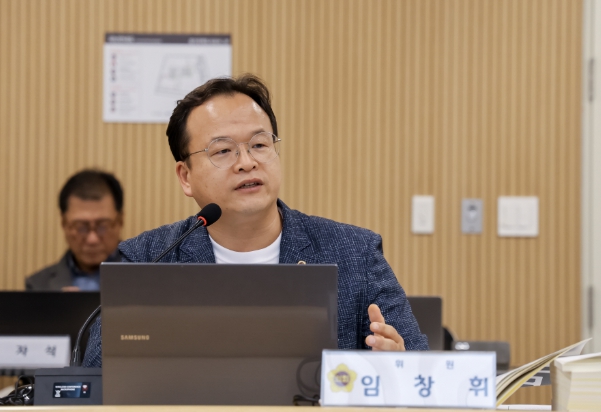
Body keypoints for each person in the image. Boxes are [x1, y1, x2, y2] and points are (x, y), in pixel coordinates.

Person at [83, 74, 428, 367]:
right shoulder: (146, 261)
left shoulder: (355, 253)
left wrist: (399, 364)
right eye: (223, 150)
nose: (247, 162)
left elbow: (422, 370)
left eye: (260, 144)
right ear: (186, 176)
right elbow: (96, 380)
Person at [26, 169, 124, 291]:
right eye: (81, 227)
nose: (92, 240)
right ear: (64, 223)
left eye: (102, 226)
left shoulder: (145, 279)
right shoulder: (38, 286)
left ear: (120, 221)